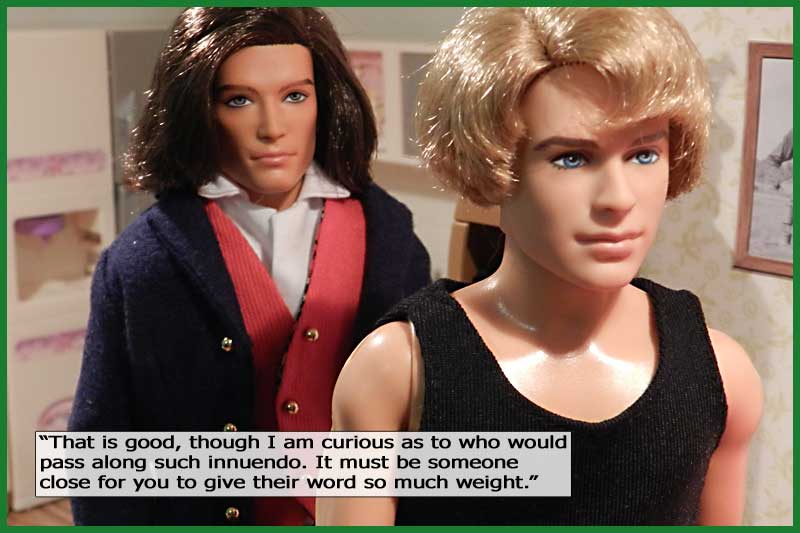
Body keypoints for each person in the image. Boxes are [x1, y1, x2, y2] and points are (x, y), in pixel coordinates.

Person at [318, 7, 762, 526]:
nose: (618, 199)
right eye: (571, 158)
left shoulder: (722, 375)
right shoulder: (397, 372)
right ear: (494, 165)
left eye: (643, 155)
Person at [68, 7, 430, 526]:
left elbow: (425, 418)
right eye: (238, 100)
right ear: (199, 110)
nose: (272, 128)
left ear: (325, 102)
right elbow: (100, 447)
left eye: (295, 96)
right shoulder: (142, 262)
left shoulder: (391, 238)